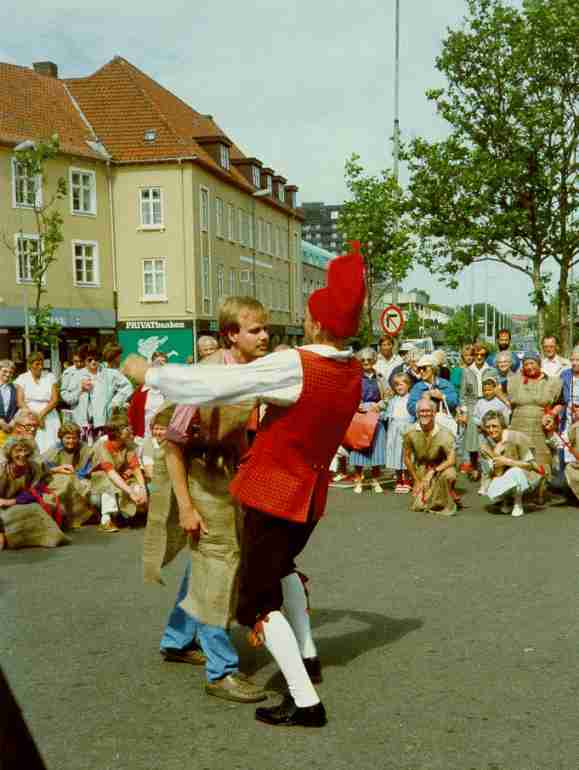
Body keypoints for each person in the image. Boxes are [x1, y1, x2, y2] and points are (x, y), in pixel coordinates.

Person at [124, 242, 366, 728]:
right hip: (309, 498)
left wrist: (148, 372)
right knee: (279, 569)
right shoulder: (352, 369)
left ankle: (304, 700)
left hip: (272, 493)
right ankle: (309, 652)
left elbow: (212, 387)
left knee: (255, 598)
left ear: (317, 324)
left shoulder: (296, 364)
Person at [152, 296, 269, 705]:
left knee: (206, 557)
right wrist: (185, 505)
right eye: (255, 330)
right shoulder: (204, 378)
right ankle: (220, 672)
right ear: (231, 335)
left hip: (224, 476)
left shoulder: (249, 371)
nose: (265, 335)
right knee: (220, 561)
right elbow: (172, 443)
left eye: (264, 328)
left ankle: (177, 639)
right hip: (197, 475)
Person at [0, 436, 69, 550]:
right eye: (18, 451)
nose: (22, 454)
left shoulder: (33, 468)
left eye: (25, 450)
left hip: (18, 503)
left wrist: (12, 501)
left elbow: (35, 491)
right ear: (10, 453)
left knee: (36, 509)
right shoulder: (2, 470)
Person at [61, 345, 133, 444]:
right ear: (84, 361)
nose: (93, 362)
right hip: (83, 423)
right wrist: (80, 390)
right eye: (89, 360)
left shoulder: (110, 374)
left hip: (103, 421)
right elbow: (67, 397)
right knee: (85, 452)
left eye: (96, 359)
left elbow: (128, 387)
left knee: (102, 450)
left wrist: (115, 402)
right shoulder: (76, 375)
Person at [508, 351, 562, 479]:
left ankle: (541, 494)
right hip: (518, 426)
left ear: (539, 364)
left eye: (532, 363)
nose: (529, 367)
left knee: (541, 460)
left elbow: (560, 403)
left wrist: (551, 415)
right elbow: (497, 389)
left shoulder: (552, 382)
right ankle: (519, 491)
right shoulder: (514, 381)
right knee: (519, 459)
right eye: (526, 364)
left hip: (540, 427)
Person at [90, 413, 147, 532]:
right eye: (127, 427)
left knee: (138, 487)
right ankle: (106, 520)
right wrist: (130, 492)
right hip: (99, 484)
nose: (130, 429)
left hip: (120, 478)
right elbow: (111, 473)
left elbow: (136, 469)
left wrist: (142, 489)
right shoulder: (103, 446)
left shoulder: (129, 445)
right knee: (108, 482)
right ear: (117, 432)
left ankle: (126, 515)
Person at [479, 411, 542, 517]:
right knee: (493, 492)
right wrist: (493, 455)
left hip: (527, 474)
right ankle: (505, 500)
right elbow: (495, 473)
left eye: (494, 426)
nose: (491, 430)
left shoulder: (516, 437)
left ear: (502, 426)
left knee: (515, 471)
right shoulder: (486, 444)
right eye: (488, 427)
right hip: (503, 474)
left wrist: (508, 461)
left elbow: (532, 466)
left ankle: (518, 503)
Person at [403, 398, 458, 516]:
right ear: (417, 414)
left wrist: (432, 471)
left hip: (441, 468)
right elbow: (407, 457)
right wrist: (417, 481)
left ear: (434, 413)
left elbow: (452, 460)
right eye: (421, 411)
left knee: (450, 474)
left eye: (428, 411)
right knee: (418, 506)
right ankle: (434, 496)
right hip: (422, 469)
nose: (425, 414)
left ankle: (445, 495)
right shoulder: (410, 432)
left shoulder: (445, 433)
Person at [349, 348, 387, 494]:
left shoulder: (380, 377)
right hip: (359, 414)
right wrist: (356, 405)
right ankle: (358, 480)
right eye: (363, 360)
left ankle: (375, 479)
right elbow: (349, 395)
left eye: (369, 360)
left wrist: (380, 405)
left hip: (375, 413)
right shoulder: (355, 377)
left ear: (374, 361)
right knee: (359, 447)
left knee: (376, 447)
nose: (366, 362)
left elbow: (388, 396)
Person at [43, 422, 95, 528]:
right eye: (67, 438)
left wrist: (75, 476)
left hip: (81, 479)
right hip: (59, 479)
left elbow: (87, 470)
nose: (71, 441)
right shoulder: (54, 450)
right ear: (61, 438)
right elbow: (44, 469)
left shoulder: (85, 449)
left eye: (74, 438)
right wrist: (59, 470)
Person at [14, 352, 60, 454]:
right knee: (31, 443)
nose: (40, 367)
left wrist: (41, 415)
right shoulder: (22, 378)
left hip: (48, 414)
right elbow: (20, 401)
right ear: (30, 365)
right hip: (28, 415)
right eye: (37, 364)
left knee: (50, 444)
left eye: (41, 364)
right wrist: (35, 417)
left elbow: (55, 400)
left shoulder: (50, 376)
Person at [127, 351, 168, 440]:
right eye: (157, 363)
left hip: (165, 440)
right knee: (147, 453)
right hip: (145, 437)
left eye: (163, 363)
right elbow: (132, 415)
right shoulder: (141, 391)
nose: (160, 366)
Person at [384, 373, 413, 492]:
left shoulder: (411, 399)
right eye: (396, 385)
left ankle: (406, 479)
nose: (399, 387)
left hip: (406, 427)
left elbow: (412, 413)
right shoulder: (393, 400)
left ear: (408, 385)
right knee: (396, 454)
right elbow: (388, 414)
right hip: (394, 429)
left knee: (406, 454)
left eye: (402, 384)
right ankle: (398, 480)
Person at [407, 354, 458, 419]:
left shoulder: (446, 384)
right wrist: (423, 401)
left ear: (433, 369)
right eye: (419, 369)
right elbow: (410, 408)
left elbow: (455, 402)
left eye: (424, 368)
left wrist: (443, 397)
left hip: (442, 424)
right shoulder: (417, 387)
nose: (421, 371)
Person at [0, 360, 18, 447]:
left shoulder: (15, 388)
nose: (7, 374)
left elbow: (19, 407)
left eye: (10, 372)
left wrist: (13, 421)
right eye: (4, 371)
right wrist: (1, 422)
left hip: (10, 428)